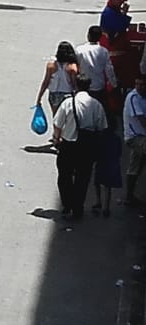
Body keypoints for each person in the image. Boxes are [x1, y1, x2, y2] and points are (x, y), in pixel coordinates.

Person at [52, 74, 108, 220]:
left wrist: (56, 139)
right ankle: (78, 208)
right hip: (87, 147)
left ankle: (67, 205)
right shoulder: (96, 105)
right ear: (89, 86)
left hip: (68, 145)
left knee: (64, 176)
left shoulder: (68, 103)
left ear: (75, 85)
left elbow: (57, 124)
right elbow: (102, 127)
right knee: (82, 179)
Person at [76, 25, 118, 106]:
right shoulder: (103, 51)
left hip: (83, 86)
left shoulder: (79, 50)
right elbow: (109, 70)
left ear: (88, 35)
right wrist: (114, 84)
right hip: (99, 86)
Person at [37, 40, 80, 116]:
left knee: (56, 117)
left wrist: (39, 97)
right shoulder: (72, 67)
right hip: (67, 93)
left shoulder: (51, 66)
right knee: (67, 117)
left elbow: (46, 82)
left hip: (54, 93)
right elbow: (74, 84)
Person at [123, 74, 146, 206]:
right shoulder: (133, 97)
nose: (139, 87)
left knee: (136, 166)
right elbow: (141, 119)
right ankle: (129, 195)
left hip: (142, 136)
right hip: (135, 136)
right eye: (137, 84)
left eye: (142, 85)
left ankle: (130, 195)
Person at [92, 127, 123, 217]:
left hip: (101, 162)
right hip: (112, 162)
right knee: (108, 185)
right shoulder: (116, 138)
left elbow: (96, 150)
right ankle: (106, 207)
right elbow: (119, 152)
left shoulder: (100, 137)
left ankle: (98, 201)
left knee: (97, 182)